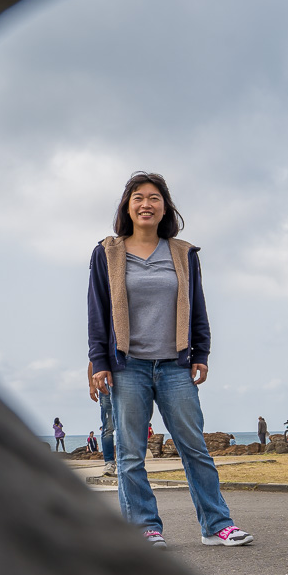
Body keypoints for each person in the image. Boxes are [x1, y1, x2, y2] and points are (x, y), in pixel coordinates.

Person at [88, 171, 252, 548]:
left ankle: (216, 525)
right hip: (127, 368)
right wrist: (99, 361)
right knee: (130, 454)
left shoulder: (182, 253)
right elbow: (97, 312)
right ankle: (145, 528)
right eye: (138, 198)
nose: (146, 204)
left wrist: (201, 352)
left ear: (165, 207)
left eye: (154, 198)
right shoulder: (107, 253)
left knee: (194, 447)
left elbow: (197, 307)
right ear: (127, 207)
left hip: (175, 366)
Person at [89, 362, 117, 476]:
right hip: (105, 388)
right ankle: (109, 462)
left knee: (126, 425)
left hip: (125, 384)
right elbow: (91, 362)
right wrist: (91, 386)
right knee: (108, 428)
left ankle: (127, 461)